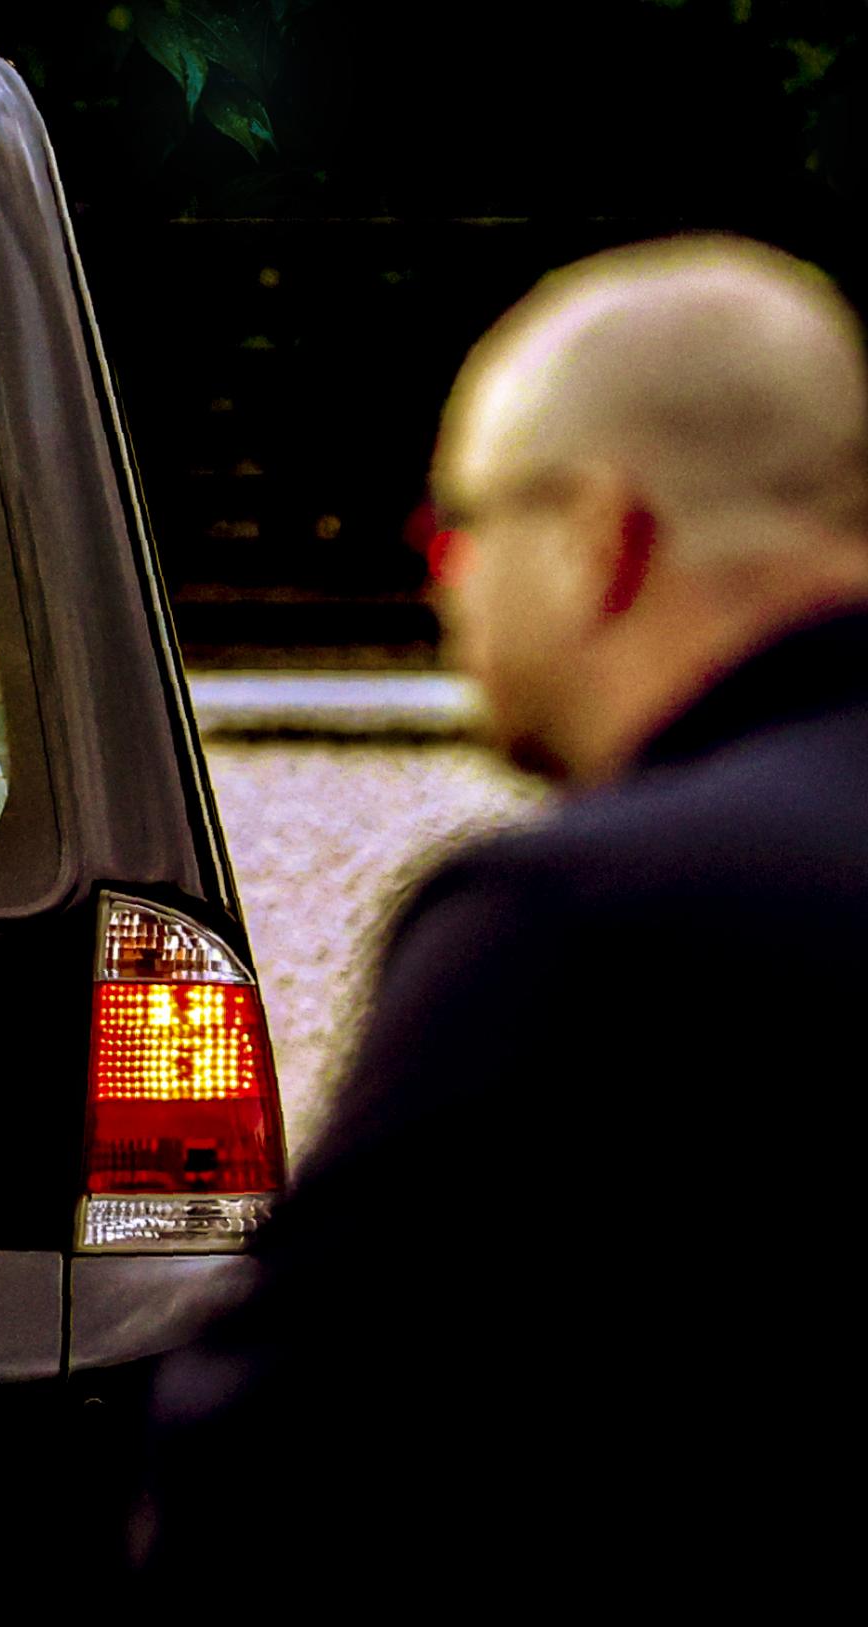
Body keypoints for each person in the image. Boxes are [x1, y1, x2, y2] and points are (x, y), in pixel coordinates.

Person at [133, 235, 868, 1604]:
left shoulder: (580, 929)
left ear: (603, 535)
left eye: (456, 528)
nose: (444, 582)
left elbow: (267, 1492)